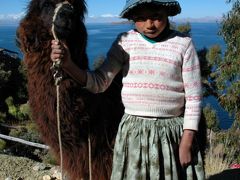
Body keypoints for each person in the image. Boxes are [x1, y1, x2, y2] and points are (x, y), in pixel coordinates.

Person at [51, 0, 205, 179]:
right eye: (140, 18)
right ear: (132, 18)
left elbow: (194, 97)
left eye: (156, 17)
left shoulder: (183, 45)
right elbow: (99, 82)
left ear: (167, 13)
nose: (149, 25)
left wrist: (187, 140)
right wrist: (68, 64)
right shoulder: (125, 43)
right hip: (134, 134)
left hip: (170, 135)